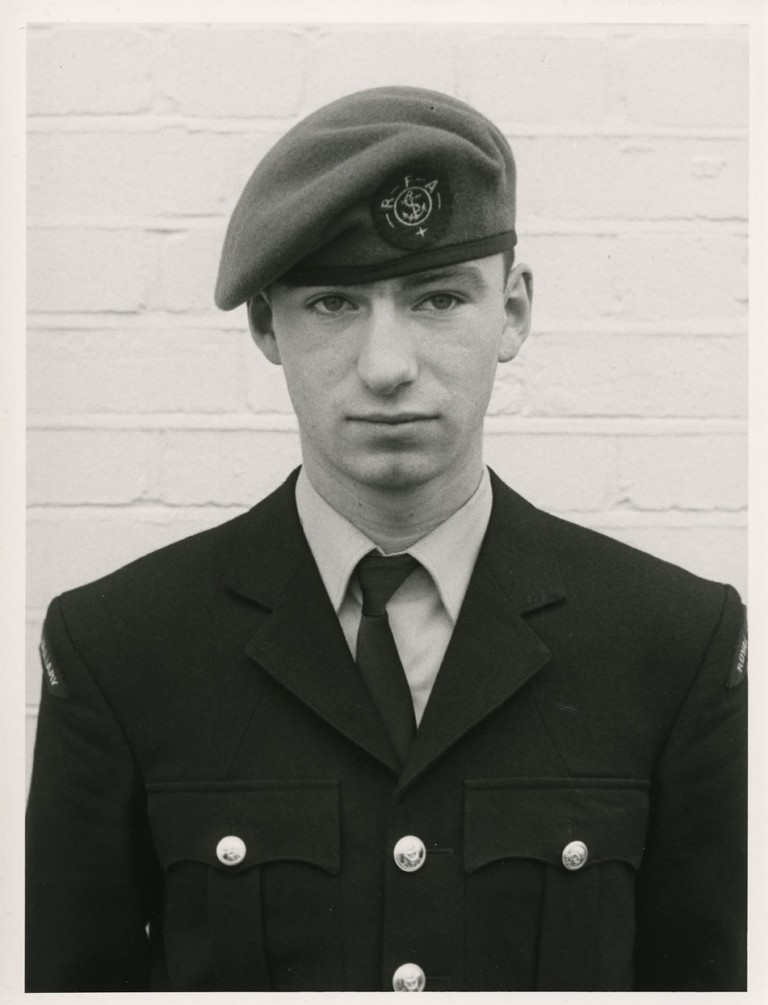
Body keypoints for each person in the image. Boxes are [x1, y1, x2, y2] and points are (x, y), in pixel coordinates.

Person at [25, 86, 747, 993]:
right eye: (332, 305)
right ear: (264, 326)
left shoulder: (675, 644)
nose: (387, 365)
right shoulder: (118, 649)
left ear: (514, 311)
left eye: (439, 298)